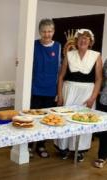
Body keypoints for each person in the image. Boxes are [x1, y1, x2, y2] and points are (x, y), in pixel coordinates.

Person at [54, 29, 103, 162]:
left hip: (87, 93)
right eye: (81, 38)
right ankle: (63, 148)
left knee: (83, 121)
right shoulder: (69, 55)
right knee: (66, 119)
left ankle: (79, 150)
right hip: (69, 91)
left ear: (90, 42)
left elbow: (99, 79)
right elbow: (61, 76)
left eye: (86, 38)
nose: (83, 40)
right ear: (76, 41)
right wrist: (60, 94)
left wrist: (93, 97)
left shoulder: (96, 56)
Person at [29, 19, 61, 158]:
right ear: (39, 32)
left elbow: (60, 70)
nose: (47, 34)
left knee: (46, 119)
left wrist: (58, 92)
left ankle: (41, 145)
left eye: (49, 31)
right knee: (32, 118)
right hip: (35, 89)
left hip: (50, 90)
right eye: (44, 31)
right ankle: (29, 145)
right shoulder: (33, 45)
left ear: (53, 32)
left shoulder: (58, 47)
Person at [94, 59, 107, 168]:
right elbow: (102, 76)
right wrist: (99, 90)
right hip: (105, 98)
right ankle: (102, 156)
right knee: (104, 130)